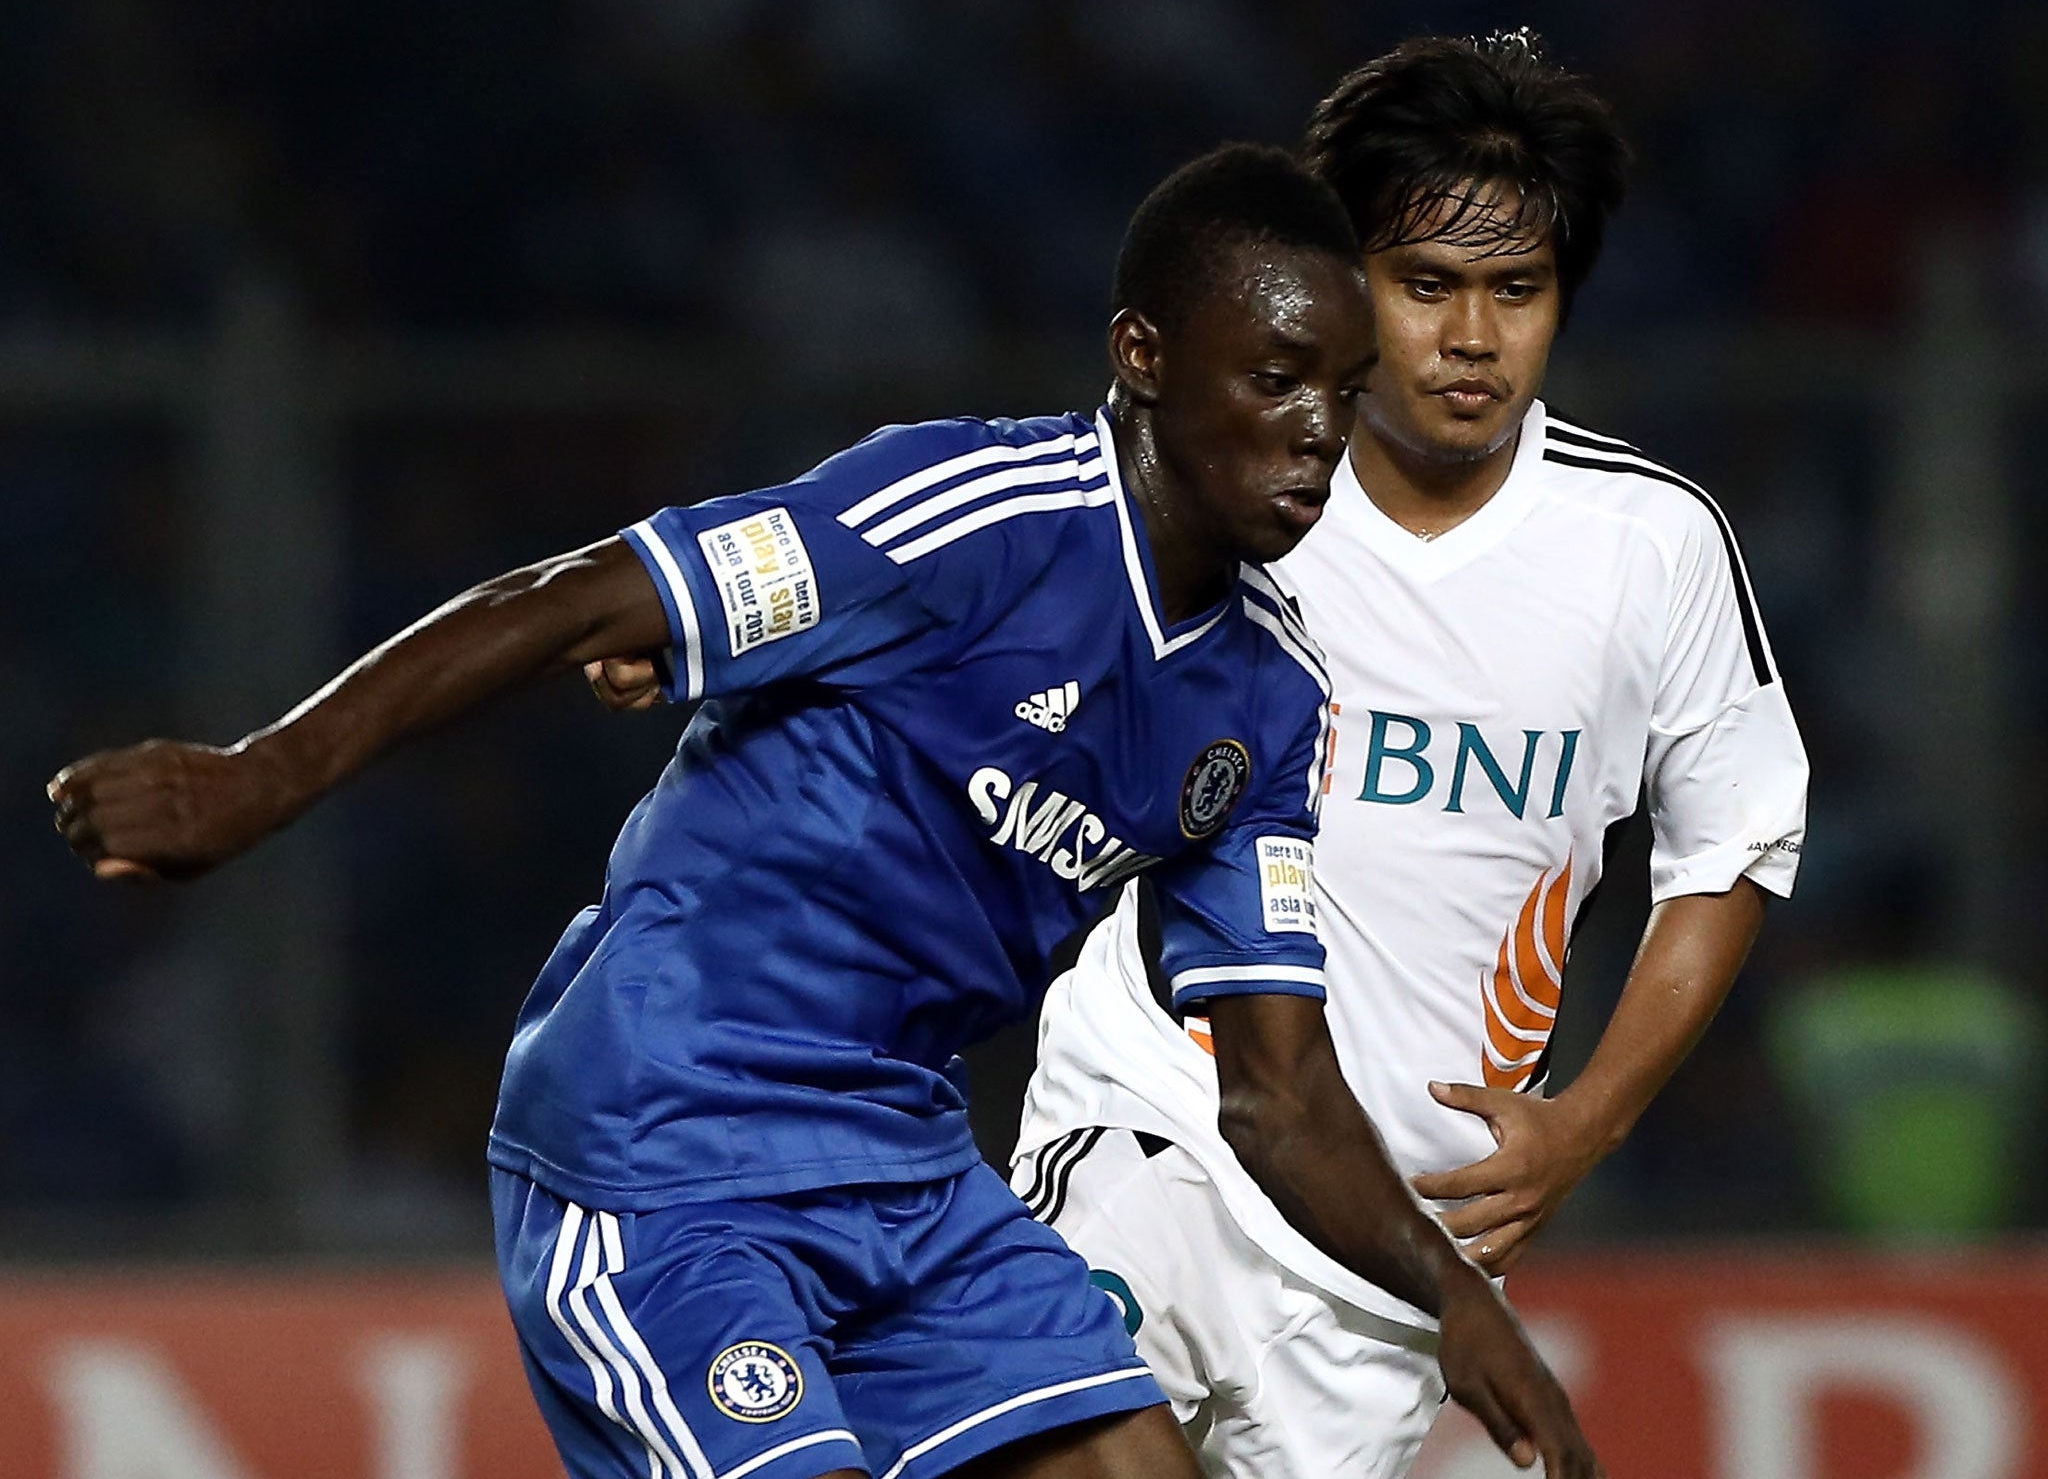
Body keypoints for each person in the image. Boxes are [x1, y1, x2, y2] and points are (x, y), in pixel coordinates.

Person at [49, 145, 1597, 1479]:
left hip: (905, 1175)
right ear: (1142, 353)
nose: (1317, 433)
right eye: (1271, 382)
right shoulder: (966, 522)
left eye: (1339, 392)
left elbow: (1280, 1093)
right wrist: (257, 777)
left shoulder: (1263, 699)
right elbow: (571, 597)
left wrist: (1446, 1295)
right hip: (664, 1150)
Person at [1010, 33, 1811, 1478]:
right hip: (1160, 1121)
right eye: (1425, 285)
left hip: (1401, 1248)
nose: (1472, 336)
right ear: (1347, 287)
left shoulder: (1651, 547)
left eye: (1517, 291)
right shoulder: (1234, 490)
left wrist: (1585, 1125)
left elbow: (1731, 849)